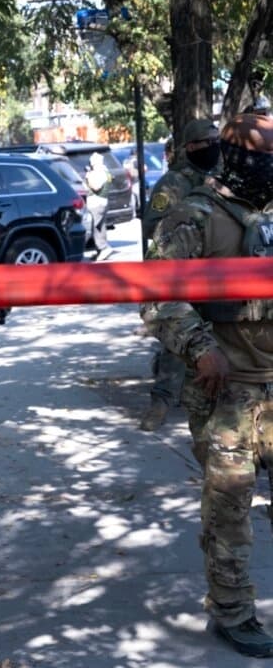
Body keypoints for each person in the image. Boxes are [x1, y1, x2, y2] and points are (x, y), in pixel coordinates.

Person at [140, 112, 273, 658]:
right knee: (230, 508)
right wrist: (201, 348)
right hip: (230, 392)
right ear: (241, 160)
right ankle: (232, 610)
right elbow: (157, 296)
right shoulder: (194, 215)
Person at [139, 119, 221, 434]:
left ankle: (207, 399)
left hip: (216, 277)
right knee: (177, 343)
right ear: (190, 148)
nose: (213, 147)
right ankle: (160, 402)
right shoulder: (174, 183)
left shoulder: (224, 177)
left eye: (216, 139)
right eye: (205, 142)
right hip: (183, 275)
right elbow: (153, 226)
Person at [84, 151, 113, 261]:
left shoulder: (99, 172)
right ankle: (101, 250)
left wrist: (88, 177)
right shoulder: (105, 172)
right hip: (102, 202)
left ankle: (103, 247)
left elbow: (96, 187)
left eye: (92, 164)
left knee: (94, 227)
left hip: (97, 204)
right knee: (100, 227)